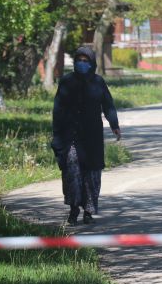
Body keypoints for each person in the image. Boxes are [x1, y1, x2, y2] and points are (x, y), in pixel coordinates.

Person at [51, 46, 122, 225]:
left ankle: (88, 212)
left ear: (92, 63)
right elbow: (58, 110)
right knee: (72, 173)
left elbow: (108, 105)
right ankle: (73, 209)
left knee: (92, 175)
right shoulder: (67, 82)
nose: (82, 64)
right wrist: (57, 134)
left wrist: (114, 124)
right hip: (71, 137)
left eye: (86, 61)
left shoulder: (98, 82)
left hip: (92, 137)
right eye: (79, 60)